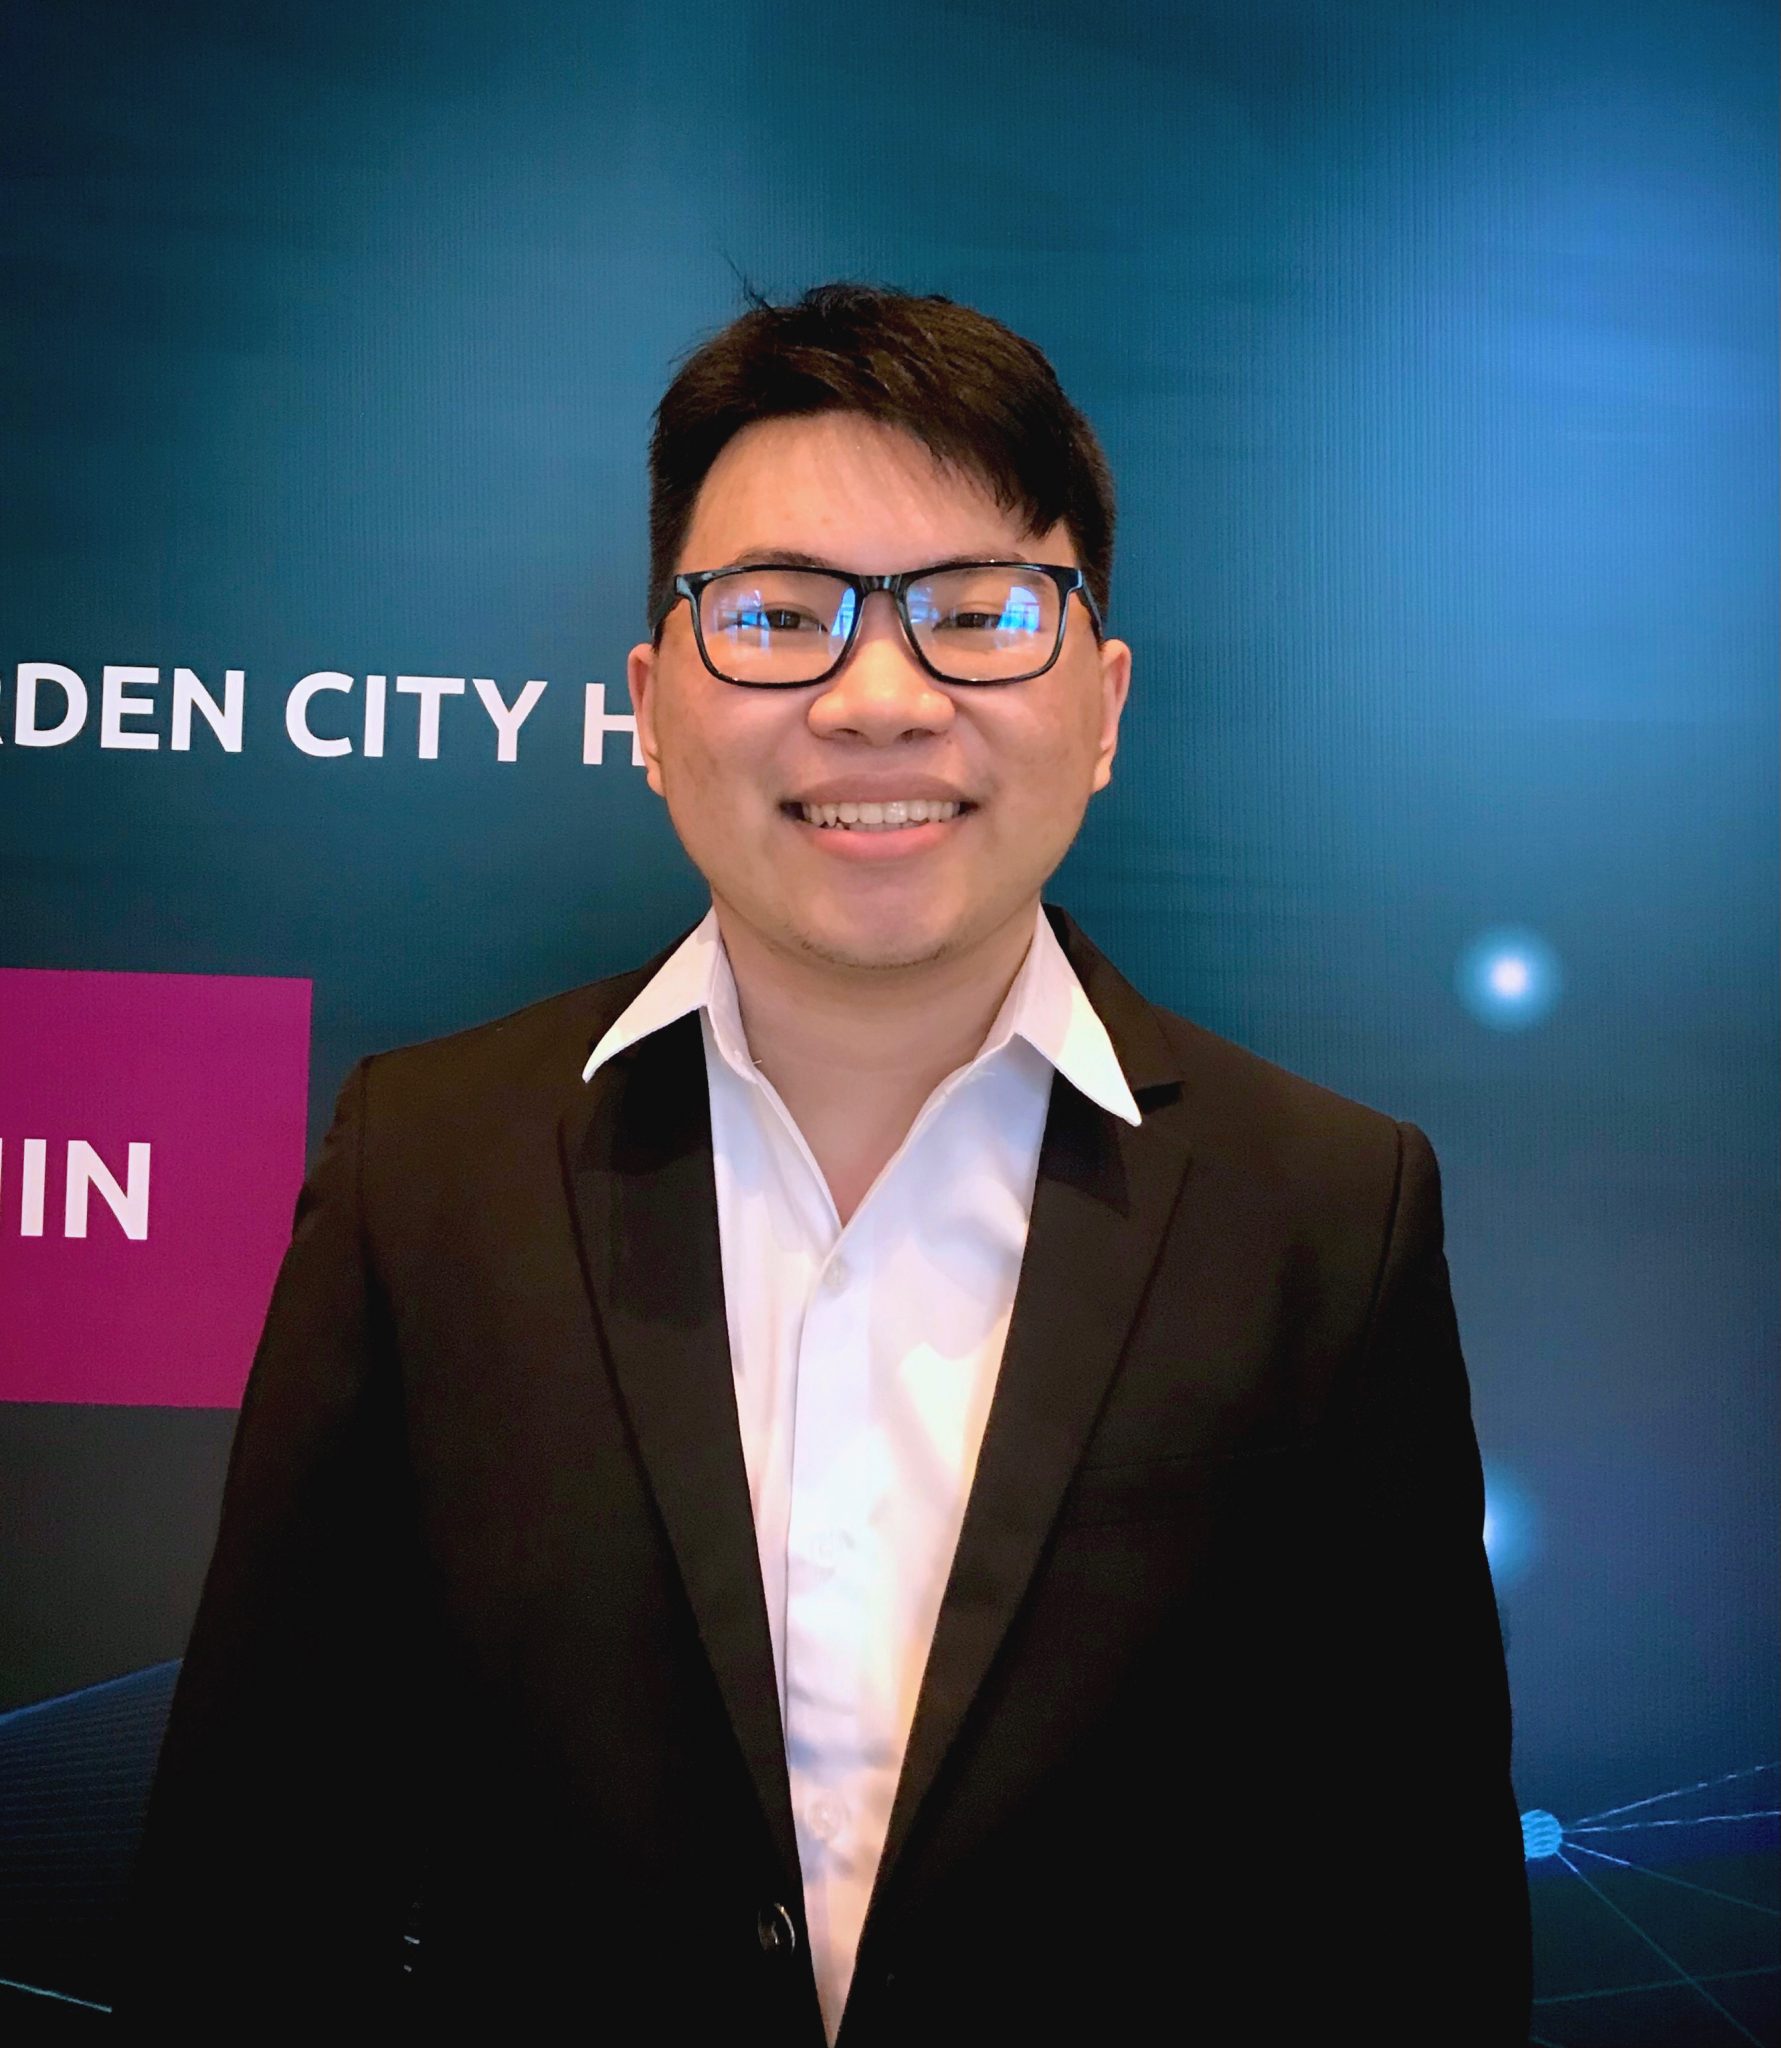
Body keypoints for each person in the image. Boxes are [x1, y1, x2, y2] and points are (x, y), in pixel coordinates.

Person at [119, 283, 1531, 2044]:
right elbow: (252, 1882)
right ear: (650, 707)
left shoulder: (1324, 1213)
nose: (877, 699)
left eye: (977, 615)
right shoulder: (427, 1172)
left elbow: (1414, 1920)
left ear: (1102, 707)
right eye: (779, 616)